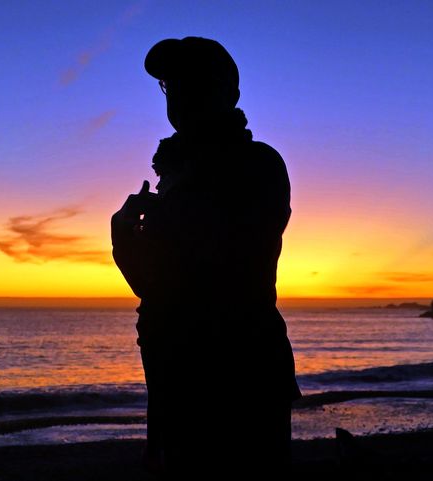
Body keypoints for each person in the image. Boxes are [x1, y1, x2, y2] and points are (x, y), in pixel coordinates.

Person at [111, 36, 301, 478]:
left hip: (240, 379)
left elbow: (212, 278)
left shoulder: (256, 164)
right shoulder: (176, 177)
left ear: (229, 94)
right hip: (174, 376)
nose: (180, 93)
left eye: (196, 83)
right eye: (171, 84)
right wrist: (130, 240)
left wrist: (135, 239)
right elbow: (160, 294)